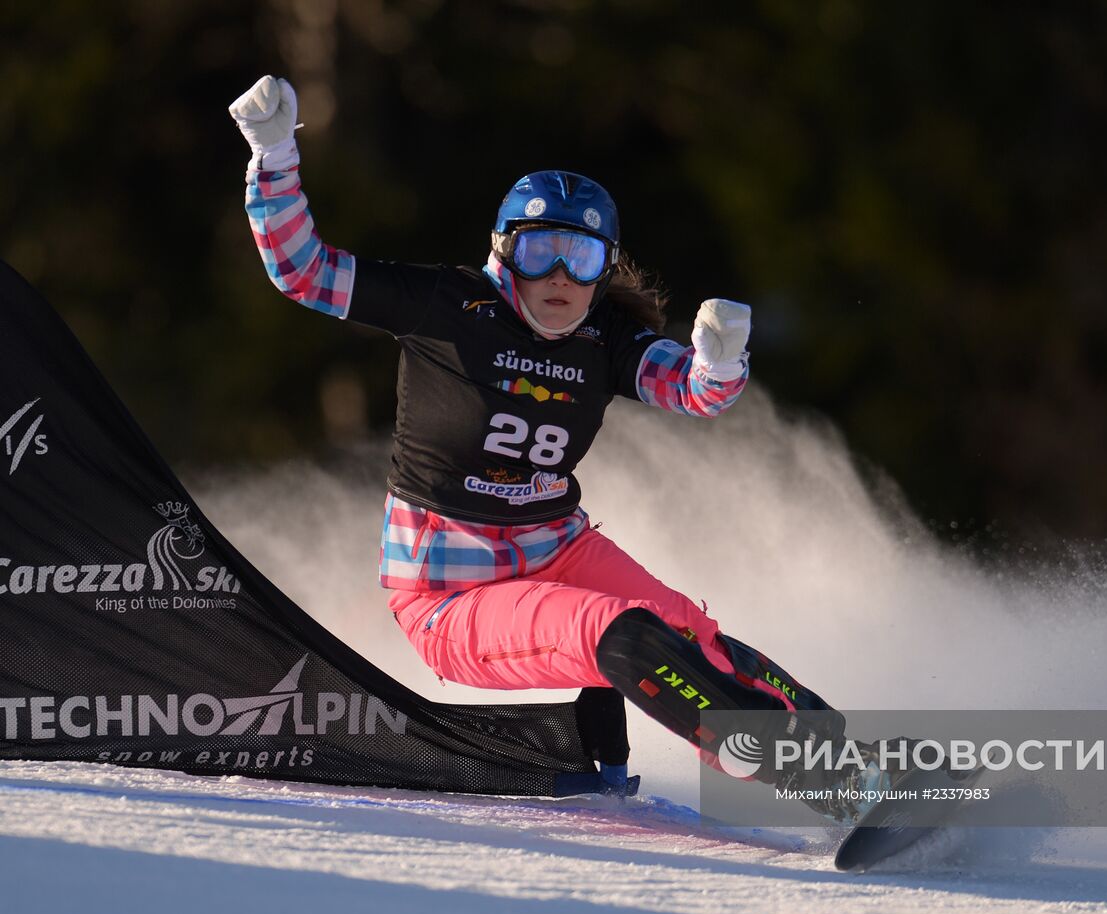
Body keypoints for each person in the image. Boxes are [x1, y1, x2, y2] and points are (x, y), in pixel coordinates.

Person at [229, 75, 888, 823]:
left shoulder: (602, 338)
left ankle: (865, 769)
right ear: (504, 252)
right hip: (453, 594)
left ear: (604, 267)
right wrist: (275, 154)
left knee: (687, 633)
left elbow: (696, 394)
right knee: (626, 635)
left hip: (556, 548)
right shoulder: (448, 307)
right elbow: (304, 271)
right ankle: (830, 793)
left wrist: (720, 361)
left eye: (579, 257)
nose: (558, 278)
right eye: (540, 250)